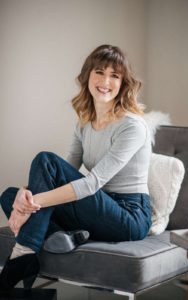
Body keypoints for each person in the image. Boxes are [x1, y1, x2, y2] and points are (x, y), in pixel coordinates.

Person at [0, 44, 152, 289]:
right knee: (9, 196)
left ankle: (22, 255)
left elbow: (91, 183)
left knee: (44, 159)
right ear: (88, 75)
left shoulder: (132, 126)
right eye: (100, 72)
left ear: (123, 83)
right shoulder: (84, 121)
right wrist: (24, 194)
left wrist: (29, 205)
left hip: (128, 215)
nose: (106, 81)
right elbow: (55, 175)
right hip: (97, 206)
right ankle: (64, 237)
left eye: (115, 75)